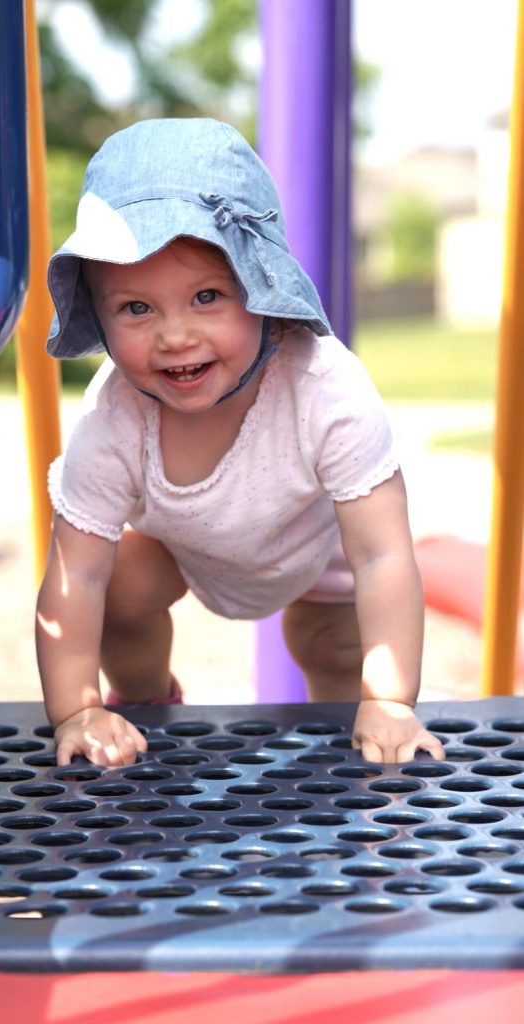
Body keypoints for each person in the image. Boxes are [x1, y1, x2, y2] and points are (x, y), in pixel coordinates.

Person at [36, 117, 445, 769]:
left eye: (206, 296)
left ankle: (344, 761)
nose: (174, 336)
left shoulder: (323, 386)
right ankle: (143, 711)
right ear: (99, 312)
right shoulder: (114, 416)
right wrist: (78, 709)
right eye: (136, 308)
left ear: (261, 292)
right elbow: (75, 574)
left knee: (337, 654)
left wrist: (391, 698)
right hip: (182, 545)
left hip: (318, 546)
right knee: (117, 592)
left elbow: (381, 556)